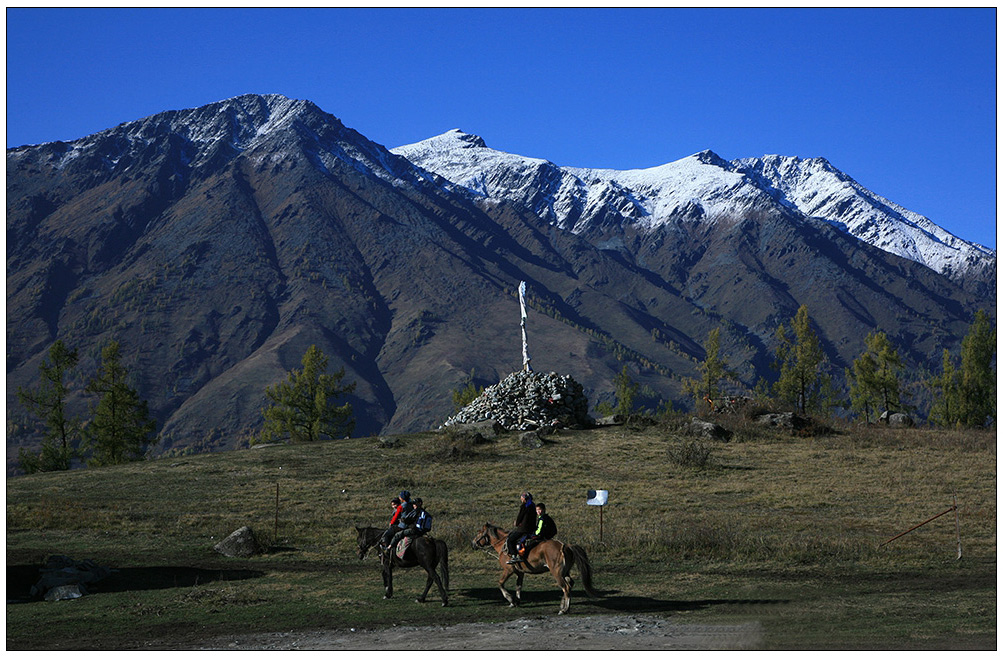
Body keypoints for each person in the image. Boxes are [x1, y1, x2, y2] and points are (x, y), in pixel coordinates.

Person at [506, 492, 537, 564]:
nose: (521, 499)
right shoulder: (533, 506)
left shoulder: (524, 506)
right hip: (532, 529)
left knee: (510, 539)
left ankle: (514, 556)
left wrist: (517, 523)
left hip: (523, 529)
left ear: (524, 499)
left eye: (522, 498)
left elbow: (520, 516)